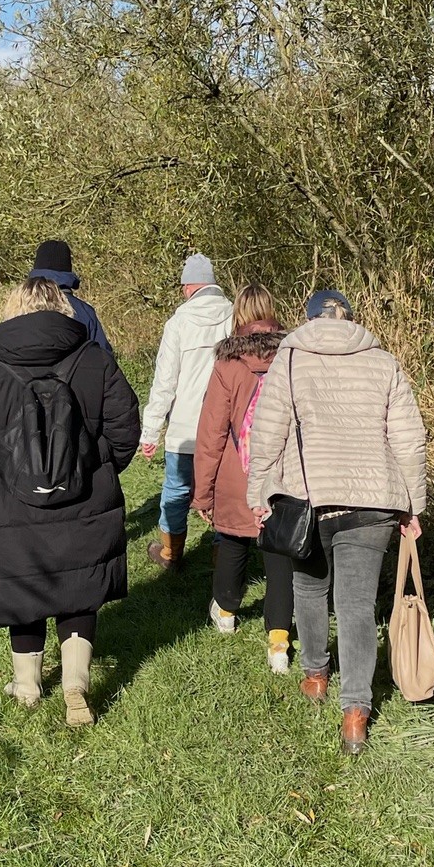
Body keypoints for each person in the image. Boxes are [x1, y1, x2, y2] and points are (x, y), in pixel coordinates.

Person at [0, 277, 140, 726]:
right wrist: (98, 467)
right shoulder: (95, 359)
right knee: (78, 591)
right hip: (85, 499)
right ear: (63, 307)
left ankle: (28, 684)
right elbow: (125, 427)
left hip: (9, 503)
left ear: (13, 308)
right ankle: (76, 683)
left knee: (22, 586)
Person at [247, 289, 426, 754]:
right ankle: (355, 712)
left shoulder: (290, 360)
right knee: (355, 605)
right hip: (373, 501)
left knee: (309, 588)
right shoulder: (383, 361)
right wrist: (413, 504)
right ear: (351, 318)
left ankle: (315, 676)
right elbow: (409, 438)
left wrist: (258, 492)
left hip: (310, 498)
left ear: (306, 319)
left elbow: (268, 431)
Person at [191, 285, 293, 672]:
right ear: (272, 313)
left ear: (238, 316)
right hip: (282, 473)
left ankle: (227, 613)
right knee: (279, 554)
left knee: (233, 544)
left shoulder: (228, 364)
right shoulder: (292, 355)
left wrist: (203, 493)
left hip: (238, 473)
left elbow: (212, 432)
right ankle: (279, 643)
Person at [140, 254, 234, 569]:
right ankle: (224, 560)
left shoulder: (178, 322)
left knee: (176, 490)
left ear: (187, 287)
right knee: (223, 491)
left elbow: (165, 381)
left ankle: (170, 554)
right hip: (225, 426)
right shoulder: (235, 317)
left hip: (184, 428)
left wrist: (151, 430)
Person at [28, 240, 113, 354]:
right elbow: (104, 358)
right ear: (68, 268)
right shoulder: (85, 312)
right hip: (75, 371)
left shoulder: (18, 306)